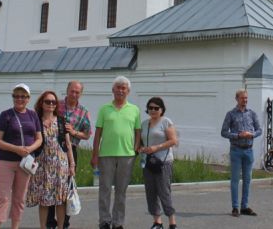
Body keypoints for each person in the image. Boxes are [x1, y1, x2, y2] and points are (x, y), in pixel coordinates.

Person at [91, 76, 141, 229]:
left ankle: (118, 222)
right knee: (105, 189)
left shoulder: (135, 110)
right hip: (106, 155)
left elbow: (138, 131)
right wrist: (95, 155)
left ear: (128, 91)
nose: (120, 90)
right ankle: (105, 221)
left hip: (127, 156)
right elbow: (98, 133)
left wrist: (135, 149)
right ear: (113, 90)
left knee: (121, 191)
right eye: (118, 87)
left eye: (123, 88)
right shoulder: (104, 109)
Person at [0, 83, 43, 229]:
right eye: (16, 96)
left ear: (28, 98)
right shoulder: (6, 115)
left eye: (23, 96)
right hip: (5, 162)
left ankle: (15, 226)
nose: (19, 99)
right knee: (3, 197)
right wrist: (16, 149)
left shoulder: (33, 115)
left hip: (25, 163)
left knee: (20, 198)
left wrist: (29, 149)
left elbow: (39, 139)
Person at [26, 90, 75, 229]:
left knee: (60, 200)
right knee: (44, 200)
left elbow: (68, 144)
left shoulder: (61, 121)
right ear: (41, 103)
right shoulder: (36, 120)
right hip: (42, 165)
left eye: (54, 102)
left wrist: (72, 165)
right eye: (48, 101)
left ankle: (60, 227)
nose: (51, 104)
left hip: (61, 165)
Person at [47, 81, 92, 229]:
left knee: (66, 188)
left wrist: (74, 132)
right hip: (52, 149)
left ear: (81, 94)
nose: (74, 94)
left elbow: (87, 134)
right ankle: (50, 223)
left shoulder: (83, 111)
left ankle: (64, 223)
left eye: (77, 92)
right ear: (67, 90)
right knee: (50, 186)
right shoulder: (56, 105)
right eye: (72, 91)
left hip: (70, 151)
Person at [138, 97, 179, 229]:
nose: (153, 110)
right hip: (148, 162)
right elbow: (140, 142)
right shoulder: (144, 124)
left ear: (162, 110)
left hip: (163, 162)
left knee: (164, 192)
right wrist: (141, 148)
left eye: (156, 108)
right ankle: (157, 222)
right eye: (150, 108)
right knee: (151, 192)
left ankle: (172, 222)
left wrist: (156, 147)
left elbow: (173, 141)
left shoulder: (166, 122)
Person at [221, 88, 262, 218]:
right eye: (242, 98)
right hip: (236, 150)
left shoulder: (252, 114)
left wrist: (252, 134)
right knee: (235, 180)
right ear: (237, 99)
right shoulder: (231, 114)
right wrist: (238, 135)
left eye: (246, 98)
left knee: (247, 179)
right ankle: (235, 207)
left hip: (248, 150)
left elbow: (259, 130)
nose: (245, 100)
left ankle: (244, 206)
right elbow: (223, 132)